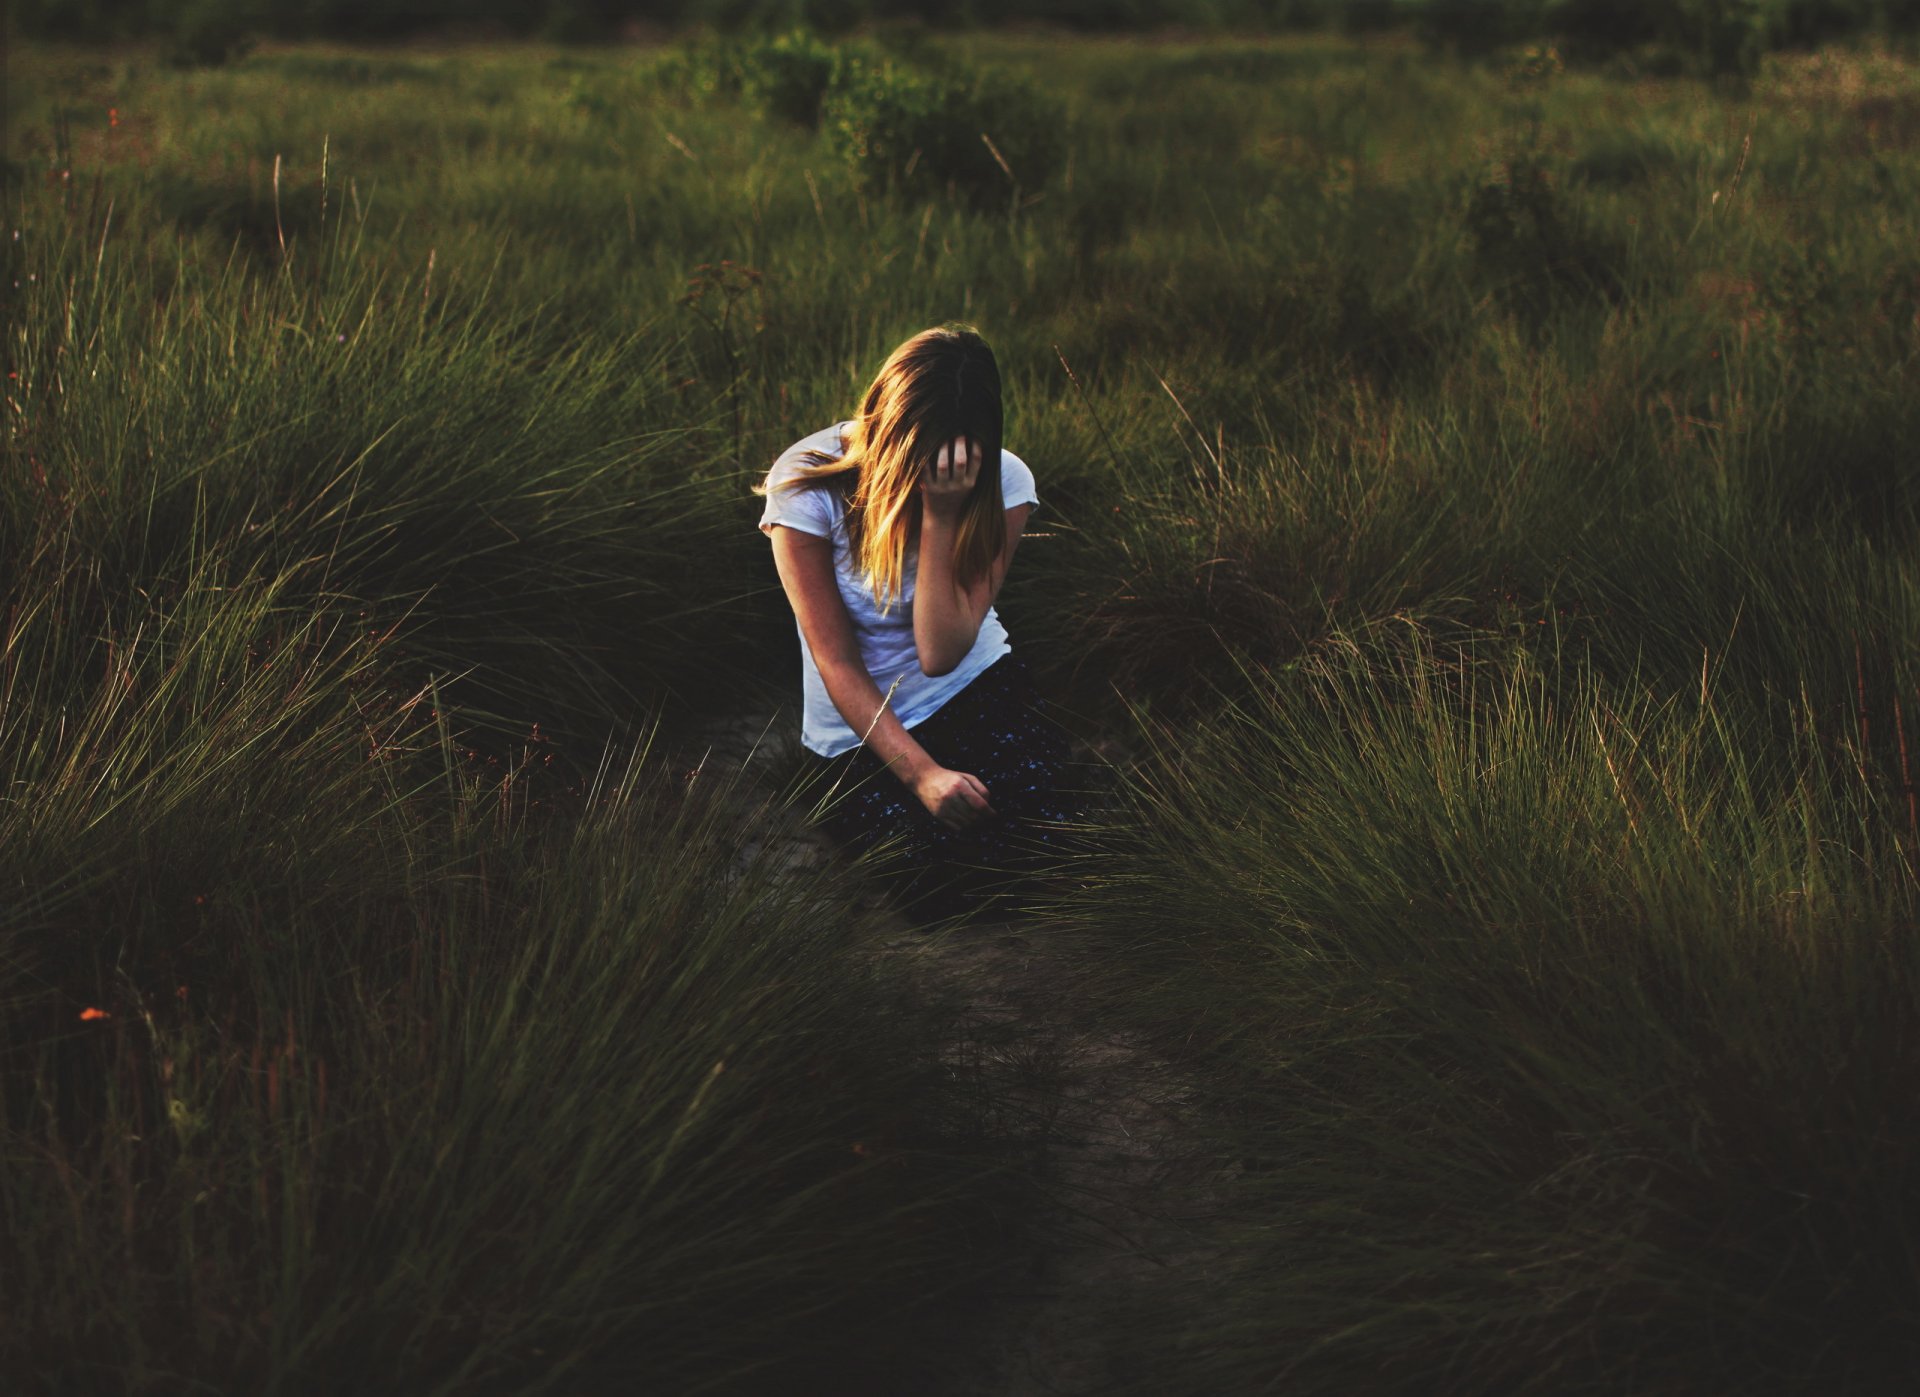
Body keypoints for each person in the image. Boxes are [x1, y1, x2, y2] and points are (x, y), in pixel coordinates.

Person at [755, 325, 1080, 920]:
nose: (926, 472)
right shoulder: (805, 483)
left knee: (1047, 857)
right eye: (914, 457)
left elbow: (940, 653)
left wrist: (941, 515)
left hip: (971, 684)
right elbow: (836, 662)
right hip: (860, 729)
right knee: (936, 897)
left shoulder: (1004, 482)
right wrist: (925, 777)